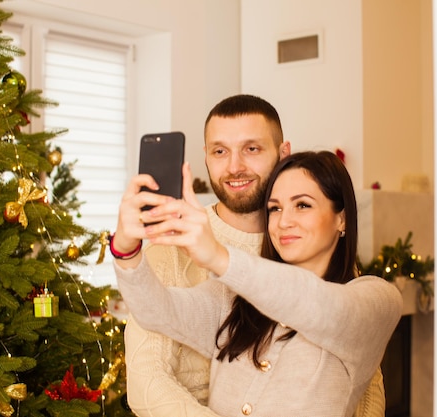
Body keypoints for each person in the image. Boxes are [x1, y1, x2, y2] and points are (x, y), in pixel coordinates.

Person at [122, 95, 386, 416]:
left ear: (282, 153)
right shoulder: (221, 291)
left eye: (252, 149)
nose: (235, 167)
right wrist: (125, 248)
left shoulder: (355, 287)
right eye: (220, 151)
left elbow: (364, 379)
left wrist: (217, 257)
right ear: (206, 157)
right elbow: (155, 320)